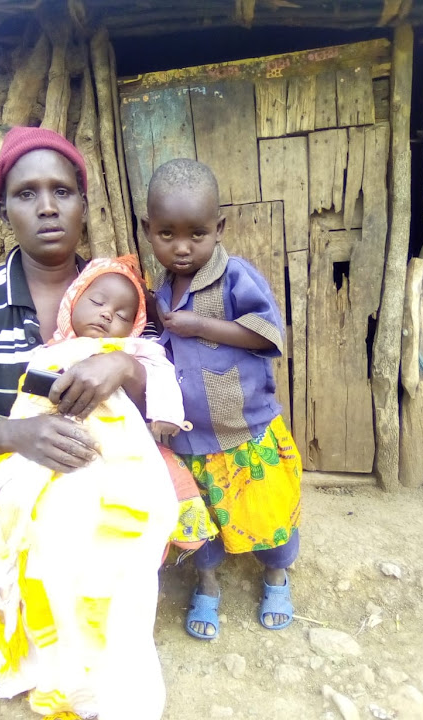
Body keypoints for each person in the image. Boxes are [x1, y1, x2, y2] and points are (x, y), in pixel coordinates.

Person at [0, 255, 185, 720]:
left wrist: (131, 371)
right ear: (73, 302)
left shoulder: (134, 353)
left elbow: (162, 389)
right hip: (49, 463)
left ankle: (106, 682)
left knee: (113, 569)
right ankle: (52, 667)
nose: (109, 315)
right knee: (44, 558)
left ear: (137, 324)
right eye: (98, 300)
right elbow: (28, 409)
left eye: (124, 312)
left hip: (117, 467)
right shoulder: (46, 354)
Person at [141, 158, 302, 641]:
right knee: (199, 520)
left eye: (197, 234)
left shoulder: (236, 277)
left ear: (219, 228)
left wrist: (202, 326)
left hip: (245, 430)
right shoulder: (162, 290)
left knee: (267, 512)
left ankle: (276, 573)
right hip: (191, 442)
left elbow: (268, 334)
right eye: (167, 234)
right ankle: (207, 582)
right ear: (148, 230)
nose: (183, 247)